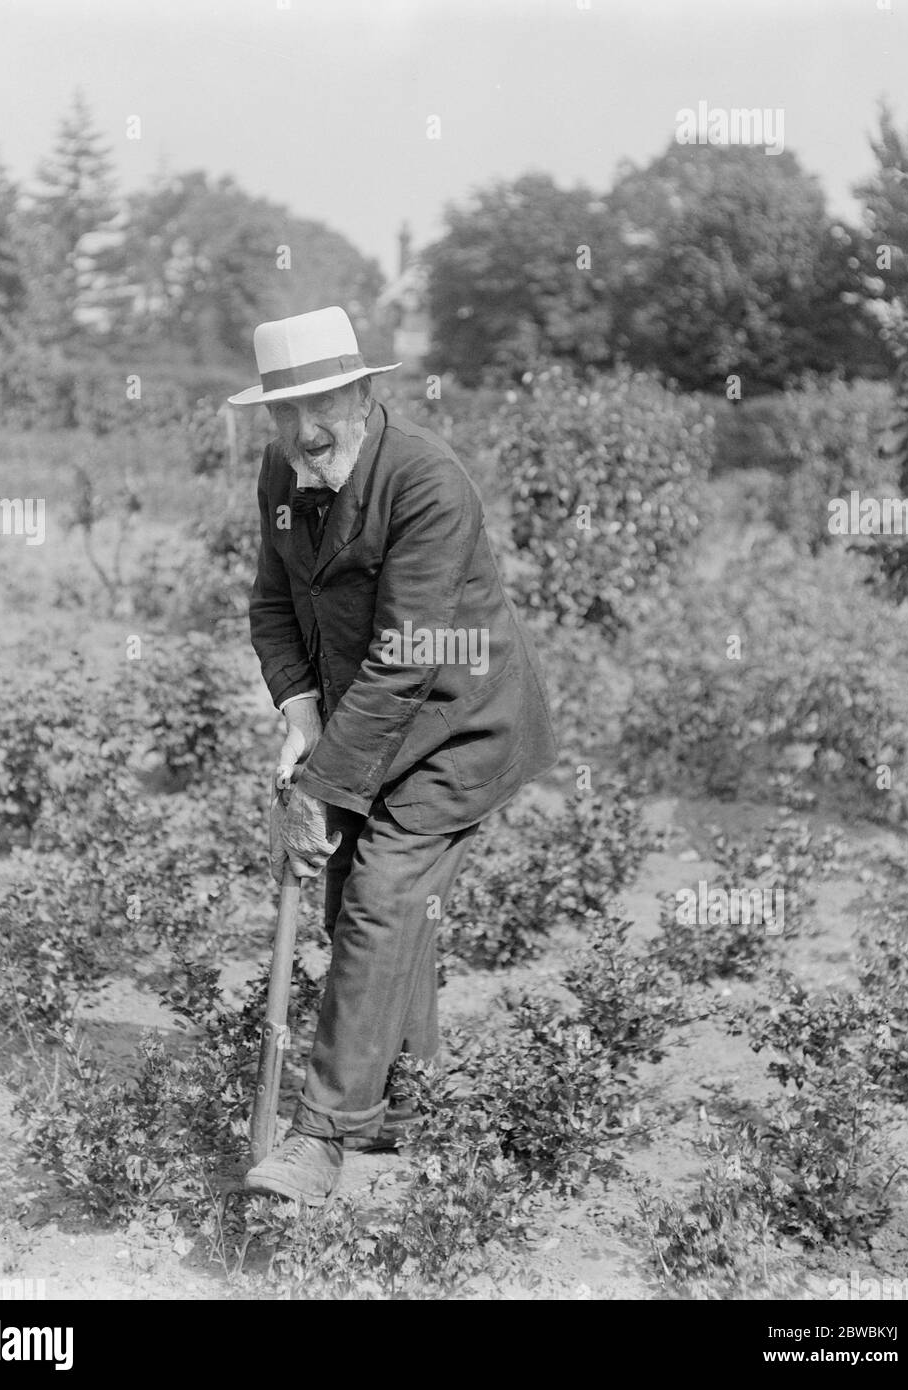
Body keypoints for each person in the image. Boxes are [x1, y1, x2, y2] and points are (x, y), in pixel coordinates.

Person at [229, 305, 556, 1205]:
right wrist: (300, 715)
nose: (307, 427)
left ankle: (321, 1138)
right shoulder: (284, 470)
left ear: (364, 391)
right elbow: (270, 604)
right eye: (285, 410)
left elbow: (408, 656)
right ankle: (394, 1102)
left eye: (325, 399)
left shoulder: (427, 481)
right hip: (362, 717)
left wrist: (321, 792)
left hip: (459, 723)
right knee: (354, 907)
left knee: (378, 901)